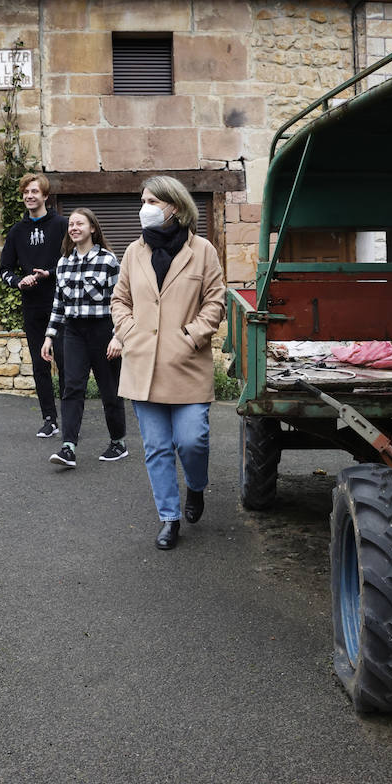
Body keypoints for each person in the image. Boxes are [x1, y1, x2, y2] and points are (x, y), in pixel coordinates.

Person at [111, 176, 225, 550]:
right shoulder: (133, 251)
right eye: (142, 200)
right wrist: (129, 332)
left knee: (192, 440)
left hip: (186, 364)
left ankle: (195, 486)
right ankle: (169, 518)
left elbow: (215, 301)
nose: (143, 207)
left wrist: (192, 335)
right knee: (157, 448)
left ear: (173, 206)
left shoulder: (203, 250)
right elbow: (119, 300)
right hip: (143, 366)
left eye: (151, 201)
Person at [41, 208, 127, 469]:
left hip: (103, 331)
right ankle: (68, 447)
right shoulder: (63, 262)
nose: (74, 227)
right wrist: (49, 336)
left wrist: (118, 336)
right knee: (71, 387)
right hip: (74, 332)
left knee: (109, 390)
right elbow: (59, 303)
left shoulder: (108, 260)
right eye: (71, 224)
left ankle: (118, 442)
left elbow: (122, 302)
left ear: (92, 228)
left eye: (80, 223)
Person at [0, 173, 69, 439]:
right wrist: (19, 282)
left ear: (45, 196)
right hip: (33, 307)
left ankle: (69, 419)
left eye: (35, 192)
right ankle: (49, 419)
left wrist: (49, 273)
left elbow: (71, 260)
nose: (30, 196)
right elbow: (5, 268)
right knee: (41, 365)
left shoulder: (62, 225)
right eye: (26, 192)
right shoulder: (17, 232)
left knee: (64, 362)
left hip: (60, 304)